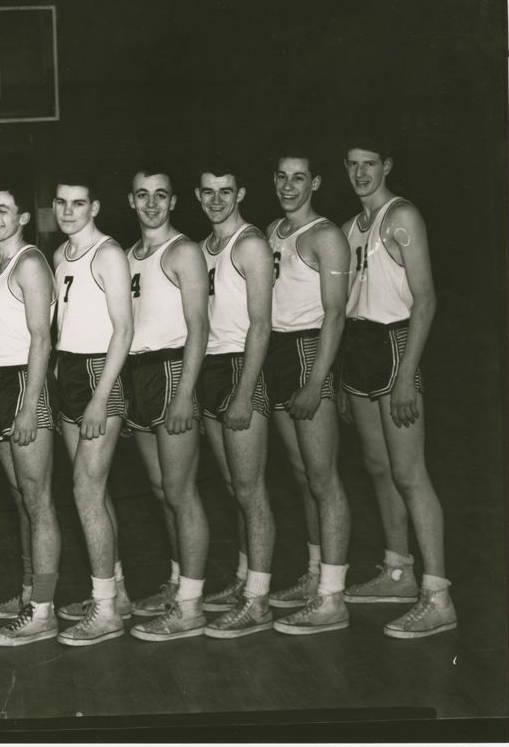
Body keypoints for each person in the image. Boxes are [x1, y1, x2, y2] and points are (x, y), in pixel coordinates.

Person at [339, 138, 455, 638]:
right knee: (378, 468)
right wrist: (344, 378)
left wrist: (408, 373)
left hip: (395, 345)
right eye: (353, 165)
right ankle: (397, 572)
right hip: (360, 349)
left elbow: (426, 300)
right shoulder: (350, 228)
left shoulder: (401, 216)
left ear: (387, 164)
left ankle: (438, 595)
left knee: (410, 474)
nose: (361, 173)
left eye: (370, 164)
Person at [121, 168, 212, 643]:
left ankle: (191, 606)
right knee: (160, 490)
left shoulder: (184, 251)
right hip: (138, 375)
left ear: (174, 201)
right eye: (143, 195)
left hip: (174, 370)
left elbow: (200, 327)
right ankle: (179, 583)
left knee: (181, 492)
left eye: (161, 195)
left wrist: (184, 394)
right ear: (131, 201)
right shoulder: (131, 255)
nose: (152, 204)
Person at [263, 154, 352, 635]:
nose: (289, 185)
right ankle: (317, 574)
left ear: (315, 182)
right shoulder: (274, 229)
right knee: (301, 475)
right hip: (277, 353)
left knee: (324, 478)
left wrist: (317, 381)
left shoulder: (327, 236)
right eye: (281, 176)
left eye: (299, 177)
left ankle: (333, 598)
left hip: (307, 353)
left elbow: (335, 315)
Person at [194, 164, 276, 639]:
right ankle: (247, 580)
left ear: (240, 192)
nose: (217, 200)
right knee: (233, 489)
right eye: (208, 193)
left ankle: (258, 602)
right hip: (209, 369)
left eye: (226, 191)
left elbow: (261, 324)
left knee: (252, 490)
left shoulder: (251, 244)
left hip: (241, 372)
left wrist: (245, 391)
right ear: (198, 196)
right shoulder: (203, 248)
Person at [51, 176, 134, 646]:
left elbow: (123, 329)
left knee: (86, 492)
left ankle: (104, 612)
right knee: (93, 495)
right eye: (61, 202)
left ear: (95, 205)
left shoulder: (109, 254)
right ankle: (115, 591)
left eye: (78, 203)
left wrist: (102, 397)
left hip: (101, 375)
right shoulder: (61, 255)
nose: (68, 210)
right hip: (70, 372)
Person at [0, 187, 62, 647]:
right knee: (21, 500)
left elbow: (41, 339)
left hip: (24, 385)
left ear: (24, 217)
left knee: (39, 501)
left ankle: (44, 610)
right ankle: (31, 592)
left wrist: (30, 404)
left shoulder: (29, 262)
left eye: (3, 211)